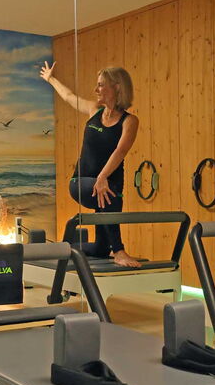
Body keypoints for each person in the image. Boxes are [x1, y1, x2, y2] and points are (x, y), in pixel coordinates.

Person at [40, 62, 143, 267]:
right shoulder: (94, 110)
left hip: (109, 185)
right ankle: (119, 251)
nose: (96, 90)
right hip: (81, 182)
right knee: (107, 196)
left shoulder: (129, 121)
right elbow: (69, 96)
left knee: (100, 249)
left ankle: (66, 248)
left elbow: (120, 151)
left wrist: (103, 177)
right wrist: (50, 79)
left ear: (117, 87)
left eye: (101, 85)